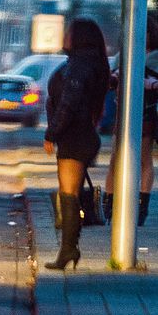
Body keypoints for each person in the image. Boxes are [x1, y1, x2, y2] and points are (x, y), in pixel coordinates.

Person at [42, 18, 111, 270]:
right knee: (69, 192)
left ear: (79, 37)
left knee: (68, 194)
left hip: (75, 135)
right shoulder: (88, 62)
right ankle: (69, 249)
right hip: (79, 133)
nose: (64, 36)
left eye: (69, 32)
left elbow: (69, 102)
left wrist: (52, 133)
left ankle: (68, 250)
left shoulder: (80, 65)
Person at [102, 15, 158, 226]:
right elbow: (112, 79)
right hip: (123, 111)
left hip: (146, 112)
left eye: (144, 33)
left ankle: (142, 206)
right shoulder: (124, 55)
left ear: (152, 34)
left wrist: (149, 84)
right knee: (115, 158)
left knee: (143, 158)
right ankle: (109, 203)